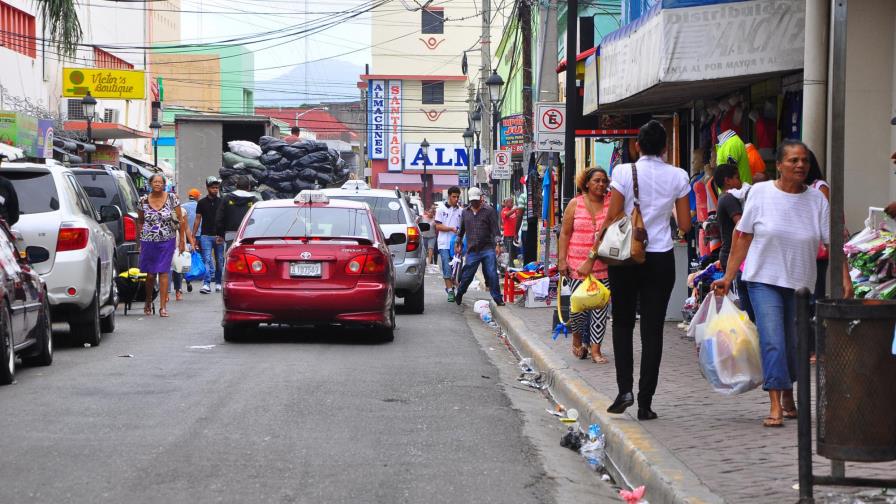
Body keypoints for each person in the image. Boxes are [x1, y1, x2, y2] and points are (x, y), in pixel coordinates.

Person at [577, 120, 691, 421]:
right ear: (666, 147)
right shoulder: (678, 176)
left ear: (636, 145)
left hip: (626, 257)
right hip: (661, 257)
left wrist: (595, 248)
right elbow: (685, 224)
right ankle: (645, 402)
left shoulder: (623, 171)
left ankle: (624, 389)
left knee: (623, 323)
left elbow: (614, 214)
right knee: (653, 330)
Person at [712, 139, 831, 428]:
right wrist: (727, 277)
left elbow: (833, 243)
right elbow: (744, 237)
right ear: (778, 165)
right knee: (773, 340)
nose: (800, 165)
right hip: (762, 279)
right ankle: (776, 404)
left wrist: (845, 279)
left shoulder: (817, 199)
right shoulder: (761, 193)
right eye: (793, 160)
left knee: (793, 344)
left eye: (804, 160)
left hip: (801, 284)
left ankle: (787, 392)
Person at [557, 167, 612, 364]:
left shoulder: (611, 203)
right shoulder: (575, 204)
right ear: (586, 183)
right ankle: (577, 340)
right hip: (576, 266)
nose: (601, 184)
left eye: (604, 181)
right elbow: (564, 233)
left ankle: (596, 350)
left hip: (602, 265)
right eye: (596, 180)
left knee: (599, 308)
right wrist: (562, 260)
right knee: (579, 308)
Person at [137, 174, 186, 318]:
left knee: (164, 272)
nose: (157, 184)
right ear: (150, 184)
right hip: (148, 240)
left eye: (160, 182)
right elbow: (140, 221)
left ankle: (163, 307)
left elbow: (180, 220)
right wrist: (139, 241)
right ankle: (148, 301)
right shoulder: (143, 200)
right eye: (155, 182)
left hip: (167, 240)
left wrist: (182, 241)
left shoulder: (172, 198)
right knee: (151, 274)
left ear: (164, 184)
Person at [713, 163, 754, 320]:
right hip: (733, 254)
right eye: (737, 178)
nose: (740, 181)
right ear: (727, 181)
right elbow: (741, 224)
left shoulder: (724, 198)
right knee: (743, 305)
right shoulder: (729, 199)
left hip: (730, 253)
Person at [454, 186, 504, 306]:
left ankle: (498, 298)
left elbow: (495, 229)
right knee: (467, 275)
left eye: (476, 200)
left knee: (492, 273)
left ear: (481, 198)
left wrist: (498, 244)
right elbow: (462, 230)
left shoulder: (489, 211)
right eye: (472, 201)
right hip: (472, 250)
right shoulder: (465, 212)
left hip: (487, 248)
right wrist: (458, 243)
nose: (474, 203)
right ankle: (460, 293)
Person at [194, 177, 224, 294]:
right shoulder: (201, 203)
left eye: (217, 188)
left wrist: (223, 234)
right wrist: (194, 235)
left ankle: (218, 283)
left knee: (219, 261)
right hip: (205, 235)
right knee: (206, 259)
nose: (215, 190)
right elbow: (197, 219)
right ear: (207, 188)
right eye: (213, 188)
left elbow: (224, 219)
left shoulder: (222, 202)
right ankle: (206, 284)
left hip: (219, 235)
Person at [435, 186, 463, 302]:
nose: (456, 199)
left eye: (457, 197)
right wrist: (451, 229)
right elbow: (438, 226)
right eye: (454, 197)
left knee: (455, 268)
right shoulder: (441, 209)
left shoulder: (461, 211)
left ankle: (452, 286)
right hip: (444, 243)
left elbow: (463, 227)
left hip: (456, 244)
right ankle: (450, 291)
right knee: (447, 267)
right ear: (449, 196)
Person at [215, 175, 259, 250]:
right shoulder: (254, 200)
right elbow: (259, 220)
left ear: (236, 186)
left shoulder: (227, 198)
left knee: (231, 259)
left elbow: (219, 219)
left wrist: (221, 234)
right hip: (248, 237)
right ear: (248, 187)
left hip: (230, 236)